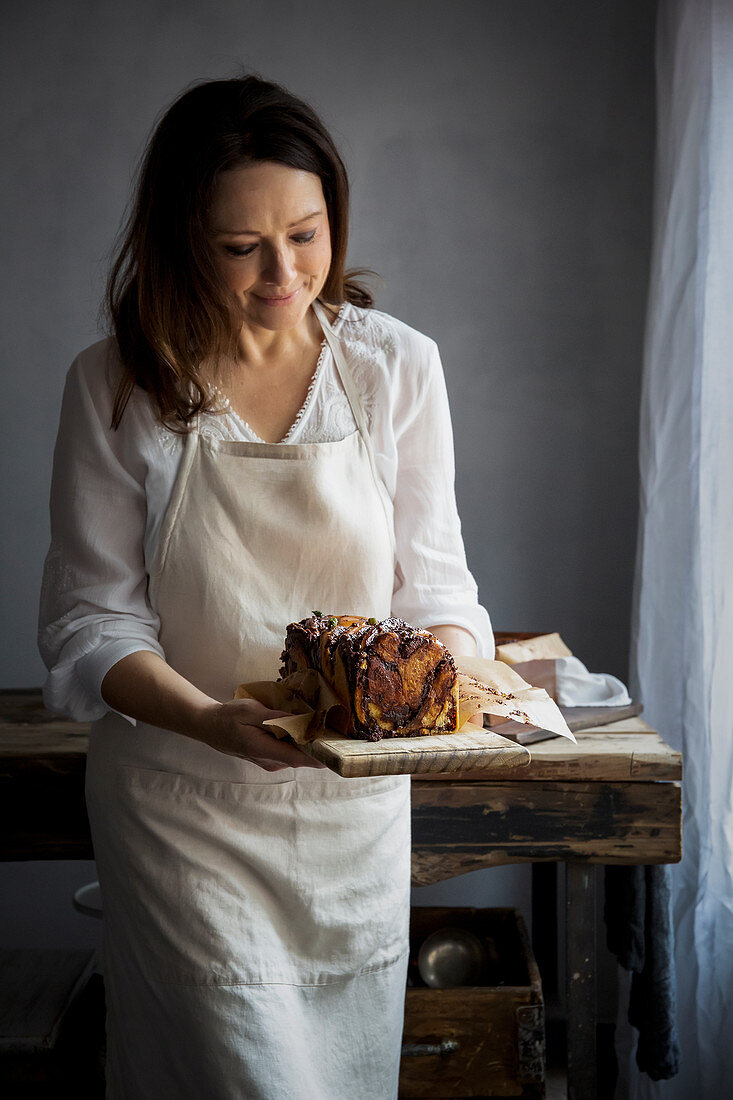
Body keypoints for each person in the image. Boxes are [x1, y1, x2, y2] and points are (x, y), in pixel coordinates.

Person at [38, 75, 493, 1099]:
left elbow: (441, 589)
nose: (283, 272)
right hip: (181, 809)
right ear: (178, 239)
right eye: (240, 246)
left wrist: (444, 677)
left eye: (306, 231)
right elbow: (86, 621)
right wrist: (207, 717)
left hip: (349, 821)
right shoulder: (116, 385)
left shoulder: (393, 369)